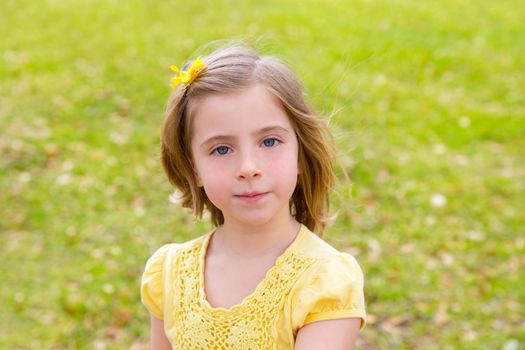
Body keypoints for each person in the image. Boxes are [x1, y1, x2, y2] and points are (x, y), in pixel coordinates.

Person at [141, 44, 366, 349]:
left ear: (299, 153)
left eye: (270, 141)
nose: (248, 168)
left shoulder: (323, 281)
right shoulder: (169, 272)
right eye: (222, 149)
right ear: (194, 170)